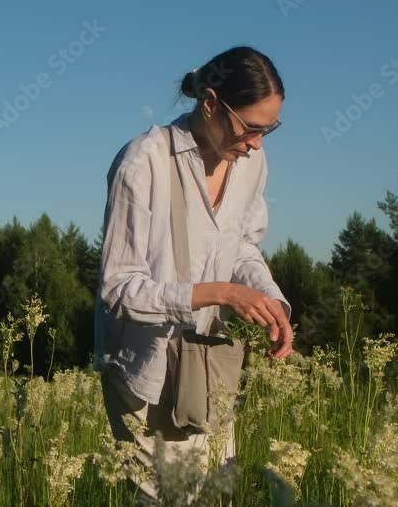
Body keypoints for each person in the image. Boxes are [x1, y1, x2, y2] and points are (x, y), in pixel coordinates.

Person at [92, 45, 295, 503]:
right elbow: (118, 289)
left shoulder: (251, 163)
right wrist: (220, 293)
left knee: (214, 496)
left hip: (208, 373)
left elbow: (243, 246)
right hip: (144, 374)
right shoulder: (142, 161)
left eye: (269, 129)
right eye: (251, 127)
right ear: (209, 103)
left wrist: (270, 301)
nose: (258, 143)